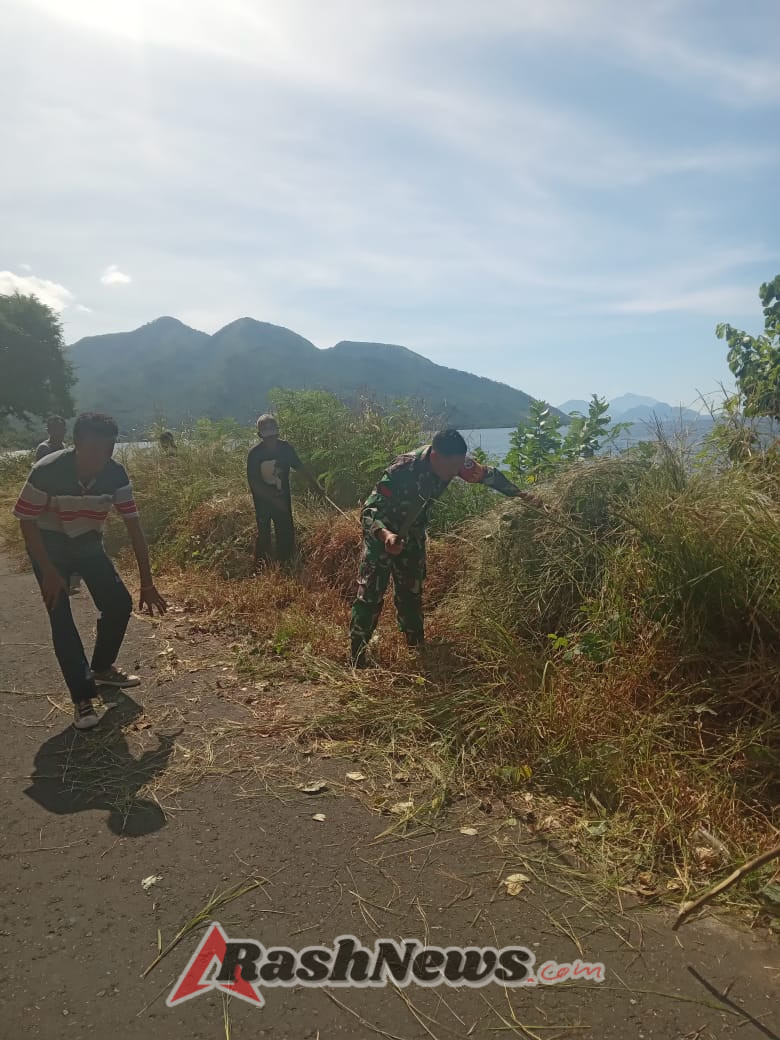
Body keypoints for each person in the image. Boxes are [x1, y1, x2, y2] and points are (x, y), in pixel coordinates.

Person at [13, 412, 168, 730]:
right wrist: (49, 571)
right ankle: (82, 698)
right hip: (49, 543)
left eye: (108, 449)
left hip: (87, 540)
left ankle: (101, 668)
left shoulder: (115, 475)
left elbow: (134, 526)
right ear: (77, 443)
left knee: (119, 604)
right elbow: (26, 520)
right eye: (94, 449)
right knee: (61, 614)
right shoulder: (48, 470)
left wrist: (147, 583)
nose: (101, 457)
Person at [349, 428, 543, 667]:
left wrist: (522, 495)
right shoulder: (402, 469)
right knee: (370, 595)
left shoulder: (455, 462)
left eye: (459, 467)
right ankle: (357, 657)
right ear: (434, 457)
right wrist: (387, 536)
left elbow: (488, 475)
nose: (455, 473)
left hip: (413, 536)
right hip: (382, 536)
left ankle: (416, 647)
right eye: (451, 468)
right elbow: (369, 511)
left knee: (411, 593)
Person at [246, 414, 325, 569]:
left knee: (286, 533)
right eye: (267, 437)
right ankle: (261, 568)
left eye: (274, 436)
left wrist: (315, 486)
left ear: (278, 433)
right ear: (260, 436)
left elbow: (300, 468)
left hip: (282, 501)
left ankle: (286, 566)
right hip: (263, 504)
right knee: (264, 536)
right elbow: (254, 483)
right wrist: (271, 498)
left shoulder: (286, 449)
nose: (271, 440)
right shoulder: (254, 455)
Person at [35, 416, 81, 595]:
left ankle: (69, 578)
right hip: (48, 501)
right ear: (49, 430)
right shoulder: (44, 449)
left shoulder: (65, 448)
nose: (58, 432)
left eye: (60, 428)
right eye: (54, 428)